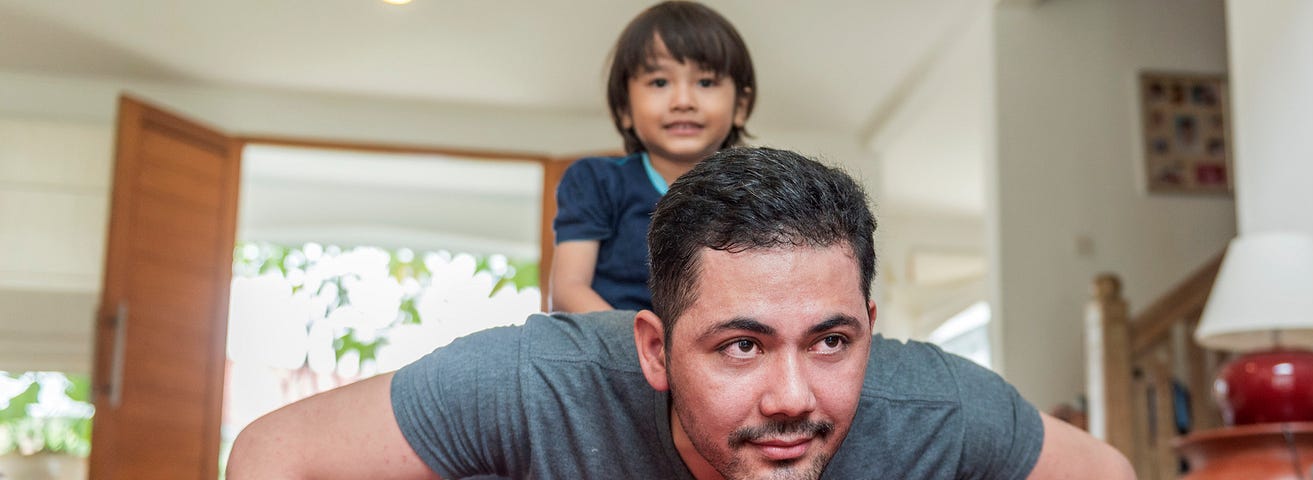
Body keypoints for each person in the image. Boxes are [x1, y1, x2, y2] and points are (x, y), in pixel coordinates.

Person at [226, 148, 1134, 480]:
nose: (792, 396)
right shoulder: (536, 383)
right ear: (654, 349)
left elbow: (1106, 472)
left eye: (830, 340)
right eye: (741, 345)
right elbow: (275, 454)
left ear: (868, 321)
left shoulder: (935, 409)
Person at [549, 0, 756, 313]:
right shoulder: (595, 180)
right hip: (609, 346)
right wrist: (645, 347)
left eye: (705, 82)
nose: (683, 101)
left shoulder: (757, 191)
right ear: (624, 109)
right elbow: (568, 289)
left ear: (740, 106)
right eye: (660, 82)